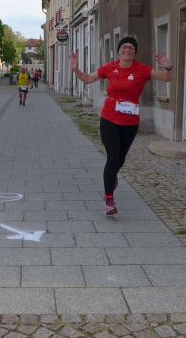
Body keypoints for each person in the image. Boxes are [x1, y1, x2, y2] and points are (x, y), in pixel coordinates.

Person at [69, 35, 172, 215]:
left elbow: (166, 78)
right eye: (123, 47)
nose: (127, 49)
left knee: (120, 159)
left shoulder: (142, 70)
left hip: (130, 122)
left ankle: (111, 177)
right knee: (112, 157)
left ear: (134, 52)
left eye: (130, 47)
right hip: (109, 119)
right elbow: (87, 79)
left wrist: (168, 67)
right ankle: (109, 199)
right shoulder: (110, 68)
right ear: (118, 51)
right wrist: (76, 69)